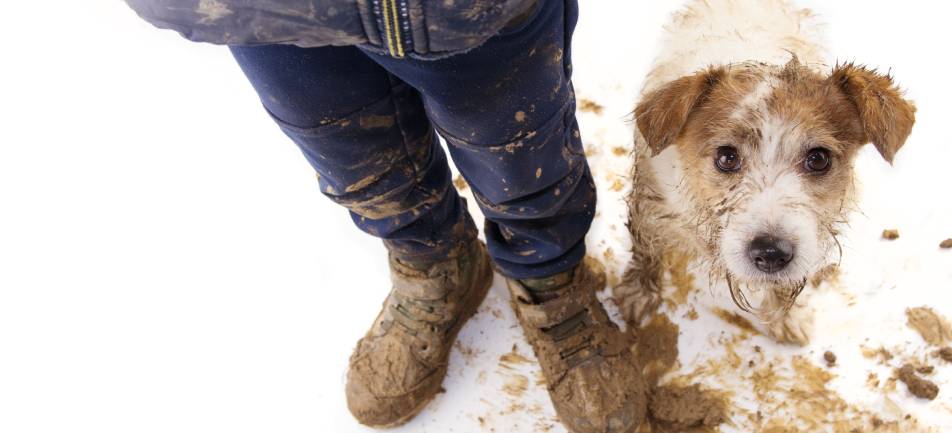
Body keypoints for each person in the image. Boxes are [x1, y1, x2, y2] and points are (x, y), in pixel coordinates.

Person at [125, 1, 647, 432]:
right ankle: (436, 266)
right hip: (263, 12)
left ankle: (549, 279)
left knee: (519, 156)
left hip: (463, 11)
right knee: (353, 155)